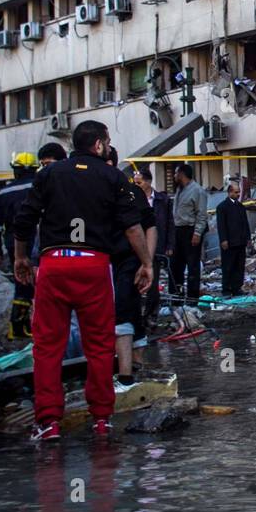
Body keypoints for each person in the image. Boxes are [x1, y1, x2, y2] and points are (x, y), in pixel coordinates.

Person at [12, 120, 151, 441]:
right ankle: (102, 419)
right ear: (100, 145)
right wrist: (146, 263)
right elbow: (132, 226)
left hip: (53, 264)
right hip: (94, 266)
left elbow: (24, 219)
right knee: (100, 346)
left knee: (47, 346)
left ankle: (48, 423)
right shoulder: (112, 177)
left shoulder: (47, 174)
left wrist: (21, 258)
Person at [106, 148, 156, 391]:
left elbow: (145, 227)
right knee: (132, 310)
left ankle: (125, 377)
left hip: (124, 260)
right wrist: (147, 261)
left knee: (123, 312)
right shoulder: (131, 191)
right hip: (122, 260)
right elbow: (149, 227)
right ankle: (135, 367)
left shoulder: (125, 191)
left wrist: (146, 262)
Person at [0, 151, 41, 340]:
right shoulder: (40, 186)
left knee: (21, 281)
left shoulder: (4, 192)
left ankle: (18, 326)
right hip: (38, 240)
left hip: (14, 243)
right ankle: (29, 325)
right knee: (39, 281)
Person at [133, 168, 172, 316]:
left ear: (148, 182)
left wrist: (169, 245)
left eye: (140, 182)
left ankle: (150, 315)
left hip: (156, 246)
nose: (137, 186)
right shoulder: (132, 199)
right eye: (135, 183)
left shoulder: (162, 200)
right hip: (137, 246)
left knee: (153, 282)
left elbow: (169, 223)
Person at [168, 163, 208, 302]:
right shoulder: (179, 190)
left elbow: (201, 214)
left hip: (190, 231)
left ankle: (192, 300)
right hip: (177, 231)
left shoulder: (197, 191)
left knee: (192, 267)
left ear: (182, 174)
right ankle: (175, 298)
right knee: (175, 266)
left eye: (176, 173)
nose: (174, 176)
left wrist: (197, 233)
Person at [215, 182, 251, 297]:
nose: (238, 194)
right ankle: (226, 289)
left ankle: (237, 288)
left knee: (239, 266)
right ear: (230, 192)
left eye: (238, 192)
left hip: (240, 241)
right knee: (228, 266)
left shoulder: (240, 206)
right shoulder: (222, 207)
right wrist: (223, 240)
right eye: (236, 192)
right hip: (229, 242)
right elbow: (221, 225)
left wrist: (248, 238)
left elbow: (245, 223)